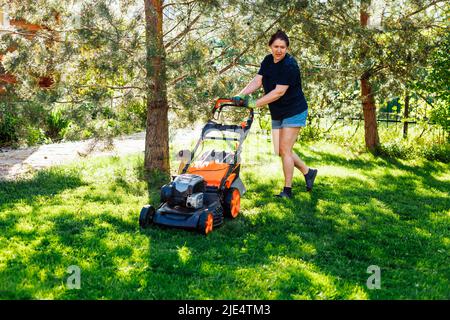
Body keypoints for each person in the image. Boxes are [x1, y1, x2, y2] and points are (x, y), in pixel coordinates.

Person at [232, 30, 317, 198]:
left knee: (285, 150)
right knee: (280, 150)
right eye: (276, 46)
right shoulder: (268, 60)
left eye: (283, 47)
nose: (279, 50)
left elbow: (278, 92)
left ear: (287, 48)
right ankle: (308, 172)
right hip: (278, 111)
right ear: (270, 46)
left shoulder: (289, 65)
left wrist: (254, 103)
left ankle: (287, 190)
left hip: (294, 110)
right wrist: (241, 94)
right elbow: (258, 80)